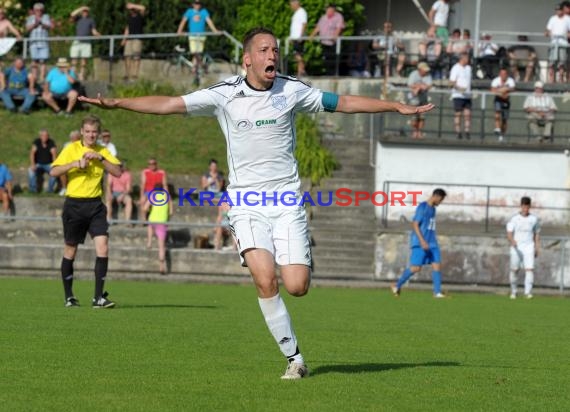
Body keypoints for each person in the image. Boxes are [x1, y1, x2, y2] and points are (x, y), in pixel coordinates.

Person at [78, 27, 434, 379]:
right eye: (264, 50)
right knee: (266, 280)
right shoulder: (224, 94)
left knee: (297, 286)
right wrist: (117, 103)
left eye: (275, 50)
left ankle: (298, 253)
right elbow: (171, 104)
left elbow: (343, 103)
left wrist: (394, 106)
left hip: (286, 202)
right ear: (247, 59)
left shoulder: (291, 90)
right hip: (246, 203)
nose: (272, 56)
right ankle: (294, 358)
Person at [49, 115, 121, 308]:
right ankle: (69, 297)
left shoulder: (102, 150)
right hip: (74, 205)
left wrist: (101, 159)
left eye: (94, 132)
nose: (91, 135)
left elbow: (118, 172)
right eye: (87, 131)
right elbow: (53, 171)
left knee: (103, 246)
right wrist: (73, 164)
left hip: (95, 206)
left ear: (98, 133)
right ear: (82, 132)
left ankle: (98, 297)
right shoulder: (71, 149)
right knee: (71, 250)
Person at [391, 188, 447, 298]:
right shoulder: (423, 207)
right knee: (416, 268)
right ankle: (397, 285)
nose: (441, 202)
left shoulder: (433, 209)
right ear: (436, 196)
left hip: (432, 242)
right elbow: (415, 224)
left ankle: (437, 292)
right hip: (421, 242)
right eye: (441, 200)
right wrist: (422, 240)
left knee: (437, 265)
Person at [507, 196, 540, 299]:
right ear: (521, 206)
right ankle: (514, 291)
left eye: (527, 207)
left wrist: (537, 247)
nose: (525, 209)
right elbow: (509, 233)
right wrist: (512, 241)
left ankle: (528, 292)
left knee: (529, 269)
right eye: (523, 207)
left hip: (529, 246)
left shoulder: (534, 219)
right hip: (516, 247)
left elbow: (536, 234)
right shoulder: (514, 219)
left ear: (529, 207)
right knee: (514, 270)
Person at [176, 0, 219, 78]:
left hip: (201, 36)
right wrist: (179, 31)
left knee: (197, 53)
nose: (197, 5)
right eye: (196, 3)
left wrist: (215, 31)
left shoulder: (204, 11)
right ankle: (202, 66)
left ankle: (194, 70)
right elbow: (183, 21)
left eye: (199, 3)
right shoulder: (189, 12)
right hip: (192, 36)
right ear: (193, 4)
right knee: (194, 52)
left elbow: (209, 21)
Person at [143, 182, 173, 274]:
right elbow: (171, 212)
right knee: (161, 246)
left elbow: (145, 208)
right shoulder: (167, 197)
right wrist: (167, 218)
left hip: (153, 219)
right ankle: (162, 266)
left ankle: (149, 242)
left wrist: (149, 210)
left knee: (150, 225)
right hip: (162, 221)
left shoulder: (152, 196)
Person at [309, 4, 345, 76]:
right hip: (324, 42)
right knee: (326, 59)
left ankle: (334, 74)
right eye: (327, 10)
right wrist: (311, 36)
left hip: (333, 43)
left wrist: (335, 37)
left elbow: (339, 28)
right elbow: (318, 27)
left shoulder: (338, 16)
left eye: (330, 10)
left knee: (333, 59)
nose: (328, 11)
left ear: (333, 10)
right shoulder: (323, 17)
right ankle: (328, 74)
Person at [69, 6, 101, 82]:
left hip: (86, 42)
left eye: (86, 11)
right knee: (74, 58)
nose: (85, 13)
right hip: (77, 41)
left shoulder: (91, 20)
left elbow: (93, 31)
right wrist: (81, 8)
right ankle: (72, 75)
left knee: (84, 60)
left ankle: (81, 75)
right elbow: (72, 14)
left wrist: (99, 35)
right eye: (84, 11)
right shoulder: (78, 18)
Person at [140, 157, 168, 243]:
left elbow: (165, 184)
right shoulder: (145, 172)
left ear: (156, 164)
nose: (152, 166)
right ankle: (144, 220)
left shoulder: (161, 172)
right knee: (143, 199)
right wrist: (141, 195)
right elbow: (143, 185)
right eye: (150, 164)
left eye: (153, 164)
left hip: (158, 192)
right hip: (149, 192)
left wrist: (167, 195)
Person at [25, 2, 53, 83]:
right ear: (34, 10)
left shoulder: (46, 17)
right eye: (37, 10)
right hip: (34, 43)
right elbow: (27, 28)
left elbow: (50, 26)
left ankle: (42, 78)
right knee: (34, 61)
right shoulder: (30, 18)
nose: (39, 11)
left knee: (43, 61)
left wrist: (42, 23)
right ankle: (34, 77)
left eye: (40, 10)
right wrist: (35, 24)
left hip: (44, 42)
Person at [407, 62, 433, 139]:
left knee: (422, 117)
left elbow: (429, 85)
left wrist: (419, 87)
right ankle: (414, 132)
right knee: (414, 117)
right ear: (420, 69)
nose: (426, 71)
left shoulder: (428, 75)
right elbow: (410, 84)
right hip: (414, 99)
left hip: (423, 99)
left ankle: (419, 132)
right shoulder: (413, 74)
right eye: (424, 70)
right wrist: (420, 86)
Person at [449, 53, 472, 140]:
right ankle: (458, 132)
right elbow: (451, 82)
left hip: (467, 96)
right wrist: (459, 88)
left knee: (467, 114)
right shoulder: (455, 68)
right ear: (462, 58)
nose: (468, 59)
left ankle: (467, 131)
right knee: (458, 114)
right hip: (458, 95)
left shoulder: (469, 68)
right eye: (466, 58)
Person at [545, 4, 570, 83]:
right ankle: (551, 80)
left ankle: (561, 80)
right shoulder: (552, 19)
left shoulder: (567, 19)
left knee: (562, 63)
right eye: (556, 10)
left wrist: (568, 34)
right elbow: (547, 31)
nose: (558, 11)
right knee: (551, 63)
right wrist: (548, 33)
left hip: (563, 43)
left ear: (562, 10)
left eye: (559, 10)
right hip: (553, 43)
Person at [122, 2, 146, 82]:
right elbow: (127, 29)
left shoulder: (140, 16)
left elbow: (143, 8)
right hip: (129, 39)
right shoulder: (129, 18)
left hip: (137, 39)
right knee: (127, 56)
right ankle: (127, 74)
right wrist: (124, 39)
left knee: (136, 57)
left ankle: (135, 75)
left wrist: (133, 5)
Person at [28, 129, 57, 193]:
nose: (45, 137)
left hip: (48, 164)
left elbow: (54, 155)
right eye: (43, 135)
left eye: (46, 135)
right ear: (40, 136)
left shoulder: (51, 142)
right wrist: (33, 164)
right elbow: (32, 153)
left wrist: (54, 166)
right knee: (30, 170)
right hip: (38, 164)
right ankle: (33, 190)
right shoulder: (36, 142)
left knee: (55, 173)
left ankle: (50, 190)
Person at [490, 67, 515, 142]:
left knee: (504, 119)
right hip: (498, 99)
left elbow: (513, 89)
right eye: (501, 74)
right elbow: (492, 90)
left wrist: (503, 90)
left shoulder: (510, 80)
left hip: (506, 100)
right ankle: (497, 128)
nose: (503, 75)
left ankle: (502, 135)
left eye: (504, 74)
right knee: (497, 112)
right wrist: (502, 91)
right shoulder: (496, 80)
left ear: (507, 74)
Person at [59, 130, 82, 196]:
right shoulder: (67, 145)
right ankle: (64, 188)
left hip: (79, 164)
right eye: (72, 138)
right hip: (69, 164)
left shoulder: (82, 145)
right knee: (62, 171)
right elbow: (63, 157)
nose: (73, 140)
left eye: (75, 138)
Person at [289, 0, 307, 78]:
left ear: (296, 3)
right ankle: (301, 71)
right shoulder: (296, 13)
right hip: (295, 38)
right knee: (297, 54)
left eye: (291, 4)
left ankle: (301, 71)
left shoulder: (302, 12)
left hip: (299, 38)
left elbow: (304, 24)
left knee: (297, 54)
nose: (291, 6)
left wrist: (301, 36)